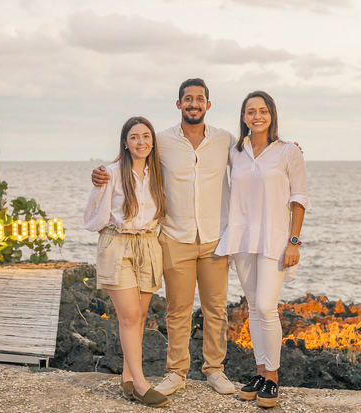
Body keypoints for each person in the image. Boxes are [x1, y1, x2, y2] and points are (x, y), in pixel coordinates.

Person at [92, 79, 237, 396]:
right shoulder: (162, 140)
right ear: (179, 104)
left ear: (208, 105)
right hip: (174, 236)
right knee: (177, 309)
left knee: (215, 308)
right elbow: (132, 158)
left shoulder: (225, 139)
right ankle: (176, 372)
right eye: (188, 99)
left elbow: (253, 158)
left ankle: (215, 370)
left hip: (215, 237)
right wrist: (100, 176)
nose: (194, 104)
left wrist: (286, 149)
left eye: (199, 99)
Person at [215, 91, 309, 408]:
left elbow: (299, 198)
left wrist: (294, 241)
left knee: (267, 306)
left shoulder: (288, 152)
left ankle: (272, 378)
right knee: (254, 307)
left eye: (263, 110)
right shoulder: (234, 153)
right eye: (251, 111)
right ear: (243, 117)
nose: (257, 116)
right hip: (242, 239)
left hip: (275, 239)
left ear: (272, 115)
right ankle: (259, 373)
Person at [84, 116, 169, 408]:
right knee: (130, 316)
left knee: (140, 317)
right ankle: (142, 383)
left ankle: (127, 378)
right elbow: (93, 216)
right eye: (134, 137)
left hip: (148, 243)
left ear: (153, 141)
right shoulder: (111, 173)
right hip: (118, 244)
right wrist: (97, 180)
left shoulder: (158, 173)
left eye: (146, 136)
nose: (141, 142)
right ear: (125, 142)